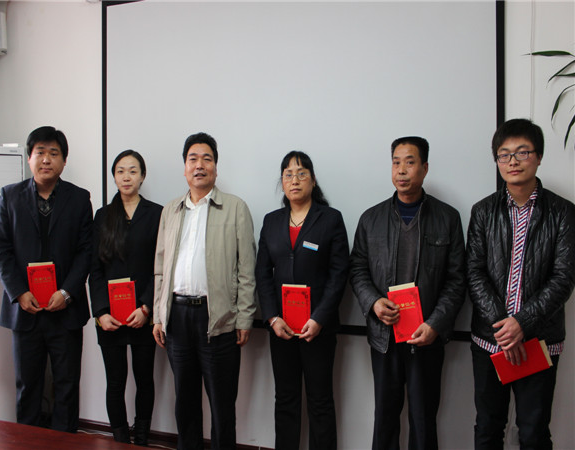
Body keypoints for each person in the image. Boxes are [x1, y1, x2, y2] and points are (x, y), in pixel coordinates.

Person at [349, 136, 466, 450]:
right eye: (396, 162)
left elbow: (457, 280)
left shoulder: (448, 218)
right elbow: (357, 268)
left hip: (426, 337)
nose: (401, 170)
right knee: (385, 418)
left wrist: (435, 323)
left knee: (423, 419)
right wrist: (373, 302)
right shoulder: (370, 219)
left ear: (425, 168)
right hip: (384, 336)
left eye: (410, 162)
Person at [467, 118, 575, 449]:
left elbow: (564, 277)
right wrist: (504, 326)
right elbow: (474, 271)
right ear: (497, 160)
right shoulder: (483, 211)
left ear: (538, 156)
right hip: (491, 341)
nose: (513, 161)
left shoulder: (563, 212)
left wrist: (522, 324)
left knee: (533, 432)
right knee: (488, 428)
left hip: (539, 342)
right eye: (504, 154)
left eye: (522, 152)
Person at [152, 132, 256, 450]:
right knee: (184, 402)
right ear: (184, 167)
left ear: (216, 167)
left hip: (218, 319)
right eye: (193, 159)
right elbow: (160, 268)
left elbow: (246, 269)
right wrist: (159, 315)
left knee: (222, 405)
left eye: (206, 159)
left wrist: (244, 318)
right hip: (177, 317)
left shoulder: (236, 208)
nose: (199, 165)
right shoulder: (170, 210)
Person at [0, 126, 93, 432]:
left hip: (65, 310)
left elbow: (86, 251)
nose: (46, 159)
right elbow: (0, 247)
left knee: (66, 387)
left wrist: (67, 292)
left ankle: (65, 443)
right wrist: (19, 292)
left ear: (64, 160)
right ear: (29, 157)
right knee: (28, 386)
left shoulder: (79, 198)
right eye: (40, 152)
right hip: (26, 310)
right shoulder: (9, 196)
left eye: (54, 153)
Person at [255, 151, 349, 450]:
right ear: (282, 182)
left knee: (320, 400)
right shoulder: (272, 221)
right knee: (285, 398)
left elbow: (339, 274)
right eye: (288, 174)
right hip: (281, 327)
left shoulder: (330, 219)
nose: (294, 180)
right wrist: (272, 317)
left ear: (313, 180)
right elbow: (262, 273)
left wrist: (319, 318)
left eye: (301, 173)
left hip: (317, 328)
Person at [88, 150, 162, 445]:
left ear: (142, 176)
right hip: (110, 316)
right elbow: (95, 269)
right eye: (120, 171)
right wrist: (100, 312)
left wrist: (146, 307)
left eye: (133, 170)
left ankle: (141, 438)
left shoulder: (157, 214)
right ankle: (120, 438)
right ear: (114, 177)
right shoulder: (103, 216)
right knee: (115, 381)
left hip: (143, 313)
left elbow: (161, 266)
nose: (126, 177)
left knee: (144, 379)